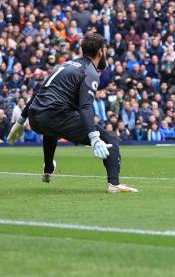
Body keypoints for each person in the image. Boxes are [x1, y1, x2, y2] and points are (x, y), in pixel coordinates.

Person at [7, 33, 138, 193]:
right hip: (54, 116)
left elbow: (38, 91)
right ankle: (114, 184)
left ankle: (48, 168)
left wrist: (20, 121)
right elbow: (85, 107)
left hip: (35, 117)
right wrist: (95, 138)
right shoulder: (90, 72)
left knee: (51, 130)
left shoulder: (64, 65)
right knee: (110, 140)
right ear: (100, 52)